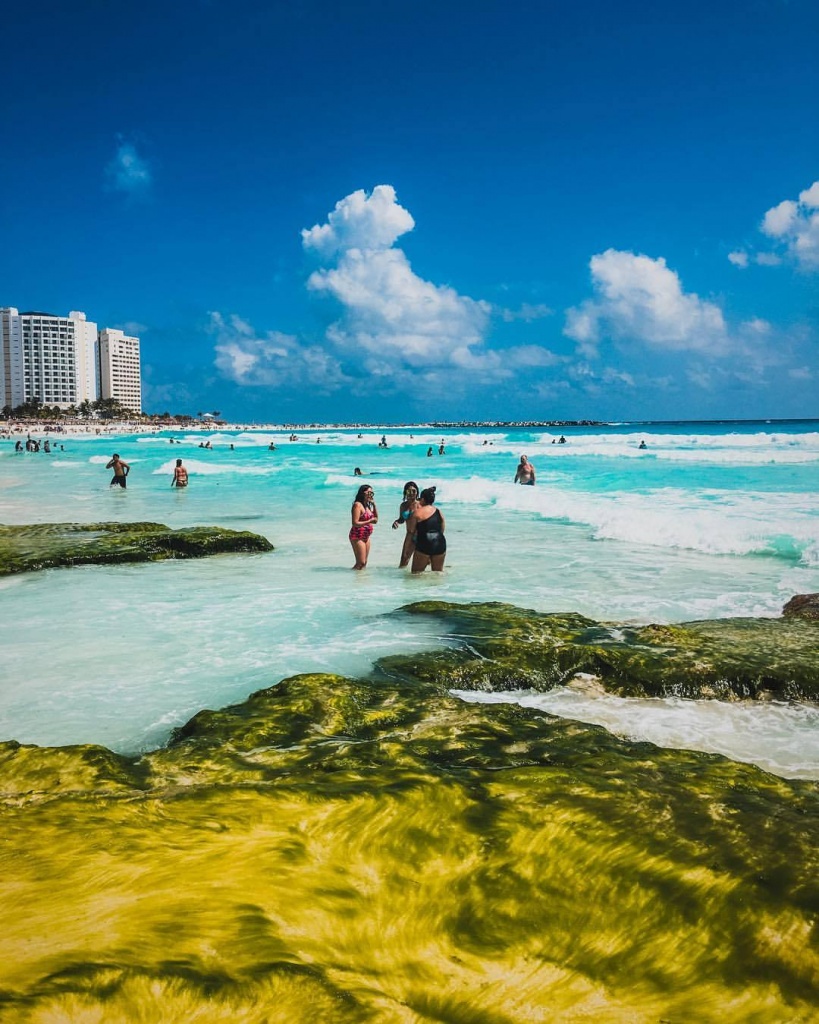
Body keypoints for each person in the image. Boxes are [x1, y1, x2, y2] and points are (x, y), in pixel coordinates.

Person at [408, 486, 446, 573]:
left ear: (423, 499)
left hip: (425, 542)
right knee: (437, 574)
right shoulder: (439, 511)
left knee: (415, 575)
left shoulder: (417, 512)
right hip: (440, 542)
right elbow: (442, 529)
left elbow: (411, 531)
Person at [349, 484, 378, 570]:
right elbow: (355, 523)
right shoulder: (357, 505)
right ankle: (350, 577)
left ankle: (360, 581)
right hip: (357, 536)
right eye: (369, 492)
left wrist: (374, 505)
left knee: (364, 563)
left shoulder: (367, 506)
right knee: (360, 563)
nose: (370, 495)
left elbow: (376, 519)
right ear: (362, 493)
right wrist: (369, 521)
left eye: (372, 493)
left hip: (366, 536)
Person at [392, 480, 420, 568]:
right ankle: (402, 580)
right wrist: (396, 522)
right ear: (405, 492)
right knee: (403, 560)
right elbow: (402, 519)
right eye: (409, 491)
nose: (411, 493)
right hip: (410, 535)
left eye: (414, 491)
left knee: (426, 561)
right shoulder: (403, 506)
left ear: (417, 492)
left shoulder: (421, 504)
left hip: (421, 535)